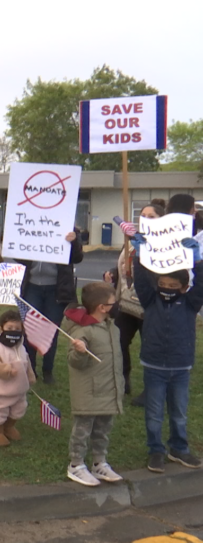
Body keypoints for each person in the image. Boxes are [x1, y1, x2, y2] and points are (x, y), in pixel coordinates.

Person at [133, 235, 203, 472]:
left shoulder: (191, 303)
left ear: (184, 288)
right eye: (164, 285)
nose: (168, 289)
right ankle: (155, 450)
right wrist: (140, 256)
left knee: (179, 412)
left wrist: (198, 262)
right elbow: (142, 281)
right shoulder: (151, 300)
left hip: (181, 367)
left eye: (174, 287)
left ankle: (179, 448)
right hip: (154, 366)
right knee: (154, 413)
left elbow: (201, 284)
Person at [62, 282, 125, 486]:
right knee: (83, 430)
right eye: (112, 302)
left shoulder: (111, 328)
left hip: (108, 388)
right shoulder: (84, 331)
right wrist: (79, 352)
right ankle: (76, 465)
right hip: (89, 391)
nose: (116, 305)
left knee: (102, 429)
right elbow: (75, 362)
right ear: (102, 307)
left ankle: (99, 462)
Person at [18, 229, 84, 384]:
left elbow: (77, 257)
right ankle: (30, 369)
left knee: (51, 330)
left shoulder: (69, 228)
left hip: (56, 289)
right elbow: (20, 257)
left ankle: (48, 370)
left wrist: (74, 241)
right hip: (32, 286)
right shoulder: (32, 226)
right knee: (29, 329)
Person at [115, 200, 164, 404]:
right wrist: (112, 273)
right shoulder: (132, 241)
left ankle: (151, 390)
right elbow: (125, 267)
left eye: (151, 216)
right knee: (119, 341)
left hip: (151, 305)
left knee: (150, 347)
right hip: (127, 302)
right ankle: (122, 380)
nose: (145, 219)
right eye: (143, 216)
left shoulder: (165, 244)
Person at [0, 310, 34, 446]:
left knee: (19, 408)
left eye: (17, 328)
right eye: (10, 328)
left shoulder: (21, 348)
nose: (13, 331)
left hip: (19, 389)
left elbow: (26, 362)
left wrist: (30, 375)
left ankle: (9, 426)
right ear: (1, 329)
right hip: (1, 391)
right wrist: (5, 369)